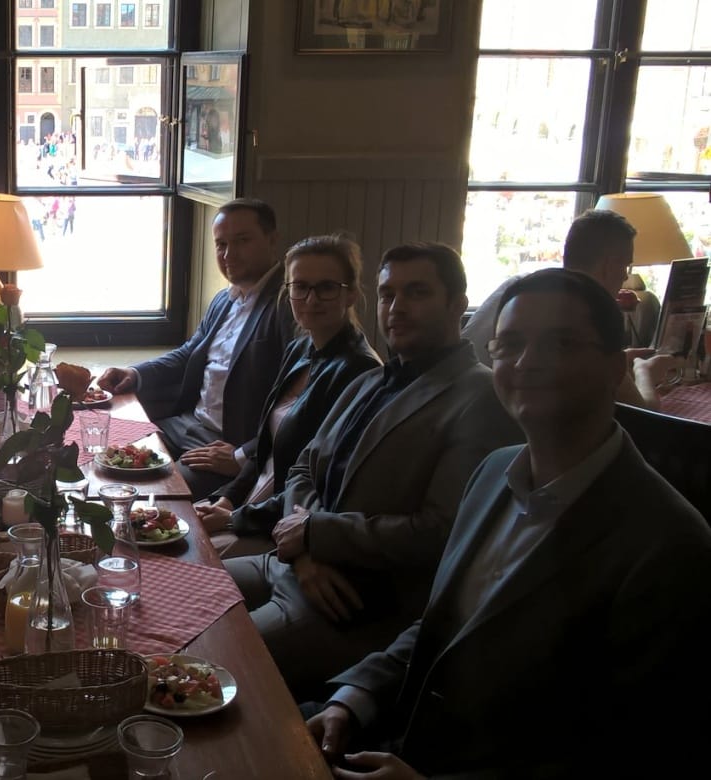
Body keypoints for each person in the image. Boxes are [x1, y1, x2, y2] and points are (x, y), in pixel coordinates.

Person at [307, 269, 711, 777]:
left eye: (560, 344)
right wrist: (353, 699)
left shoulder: (672, 546)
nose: (526, 362)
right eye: (510, 344)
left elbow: (637, 752)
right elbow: (443, 623)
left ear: (616, 368)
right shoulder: (492, 472)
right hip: (399, 733)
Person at [223, 242, 521, 695]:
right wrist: (304, 547)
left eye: (417, 292)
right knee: (180, 591)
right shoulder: (369, 380)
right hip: (293, 566)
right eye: (387, 294)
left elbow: (441, 533)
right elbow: (302, 469)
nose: (396, 308)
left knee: (217, 659)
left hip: (354, 602)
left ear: (457, 304)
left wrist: (316, 533)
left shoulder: (480, 397)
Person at [194, 235, 381, 556]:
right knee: (163, 527)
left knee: (187, 556)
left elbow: (322, 484)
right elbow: (265, 449)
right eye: (300, 286)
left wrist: (233, 518)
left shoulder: (360, 371)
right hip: (249, 507)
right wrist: (226, 499)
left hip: (283, 525)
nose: (311, 299)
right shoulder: (300, 348)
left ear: (350, 293)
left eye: (326, 287)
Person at [98, 198, 295, 499]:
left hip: (224, 444)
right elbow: (189, 353)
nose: (228, 254)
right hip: (186, 424)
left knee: (153, 495)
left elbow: (296, 403)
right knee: (105, 452)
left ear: (272, 239)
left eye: (242, 241)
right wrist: (134, 373)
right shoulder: (225, 299)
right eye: (221, 244)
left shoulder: (288, 306)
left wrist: (244, 455)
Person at [461, 208, 683, 407]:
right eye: (625, 266)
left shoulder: (522, 288)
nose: (625, 276)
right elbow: (644, 412)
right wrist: (645, 371)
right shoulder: (586, 309)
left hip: (464, 399)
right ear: (608, 265)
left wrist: (621, 361)